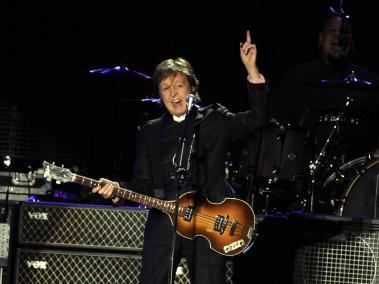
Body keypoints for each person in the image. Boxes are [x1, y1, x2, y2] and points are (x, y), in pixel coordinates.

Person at [91, 30, 269, 284]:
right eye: (165, 88)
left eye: (178, 85)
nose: (172, 93)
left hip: (209, 223)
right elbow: (143, 184)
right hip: (165, 221)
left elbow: (257, 118)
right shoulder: (149, 132)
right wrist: (120, 188)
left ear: (193, 87)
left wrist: (252, 70)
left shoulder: (214, 119)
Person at [268, 6, 379, 214]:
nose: (339, 37)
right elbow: (275, 125)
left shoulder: (372, 83)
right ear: (320, 39)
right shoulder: (298, 77)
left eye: (345, 32)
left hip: (358, 179)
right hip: (301, 175)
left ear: (352, 41)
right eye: (332, 32)